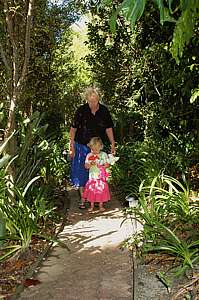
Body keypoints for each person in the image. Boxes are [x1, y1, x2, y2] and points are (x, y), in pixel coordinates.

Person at [69, 87, 115, 203]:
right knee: (81, 172)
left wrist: (113, 143)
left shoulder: (104, 111)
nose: (92, 104)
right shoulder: (81, 110)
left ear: (98, 99)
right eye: (90, 101)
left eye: (94, 101)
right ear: (87, 100)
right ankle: (83, 199)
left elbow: (108, 128)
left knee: (97, 172)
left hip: (97, 148)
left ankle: (96, 197)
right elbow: (73, 129)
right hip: (82, 146)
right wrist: (71, 147)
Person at [82, 137, 111, 212]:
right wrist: (90, 164)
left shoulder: (103, 154)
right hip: (92, 177)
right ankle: (91, 205)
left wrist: (103, 165)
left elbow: (107, 164)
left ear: (101, 147)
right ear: (90, 147)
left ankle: (100, 205)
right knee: (92, 191)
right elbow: (86, 166)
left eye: (96, 149)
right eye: (93, 149)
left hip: (101, 177)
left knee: (101, 190)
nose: (94, 151)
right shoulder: (89, 155)